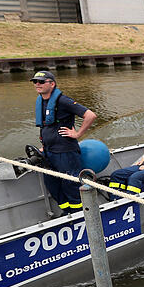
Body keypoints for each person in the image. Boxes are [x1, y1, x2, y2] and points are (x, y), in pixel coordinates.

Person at [31, 70, 97, 213]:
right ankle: (67, 212)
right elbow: (47, 126)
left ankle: (79, 215)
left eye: (41, 82)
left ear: (52, 84)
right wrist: (44, 146)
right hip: (49, 151)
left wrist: (78, 133)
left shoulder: (63, 101)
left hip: (65, 151)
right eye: (35, 82)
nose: (37, 84)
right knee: (52, 183)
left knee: (71, 184)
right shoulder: (41, 101)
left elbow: (90, 115)